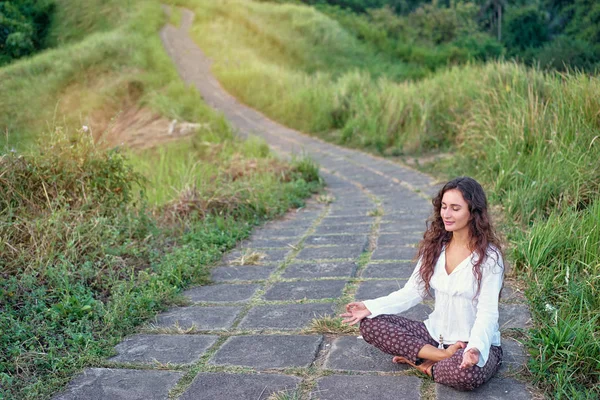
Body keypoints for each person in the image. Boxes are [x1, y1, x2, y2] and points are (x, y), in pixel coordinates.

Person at [341, 176, 504, 391]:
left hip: (473, 343)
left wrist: (474, 349)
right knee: (370, 323)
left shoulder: (489, 258)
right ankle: (438, 356)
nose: (446, 214)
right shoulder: (436, 247)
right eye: (444, 207)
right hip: (434, 335)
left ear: (473, 212)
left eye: (455, 208)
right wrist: (370, 306)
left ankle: (421, 363)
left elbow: (487, 313)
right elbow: (413, 292)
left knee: (466, 375)